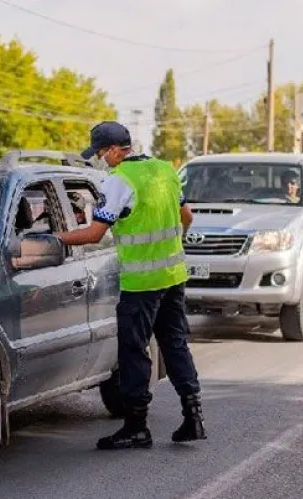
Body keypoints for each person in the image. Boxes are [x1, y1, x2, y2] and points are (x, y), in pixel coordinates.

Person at [55, 121, 206, 450]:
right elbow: (188, 216)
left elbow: (95, 234)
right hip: (173, 276)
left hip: (141, 283)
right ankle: (193, 416)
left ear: (111, 151)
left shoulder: (118, 181)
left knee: (133, 352)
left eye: (99, 153)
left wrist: (57, 238)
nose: (99, 159)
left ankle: (137, 426)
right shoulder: (165, 170)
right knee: (175, 344)